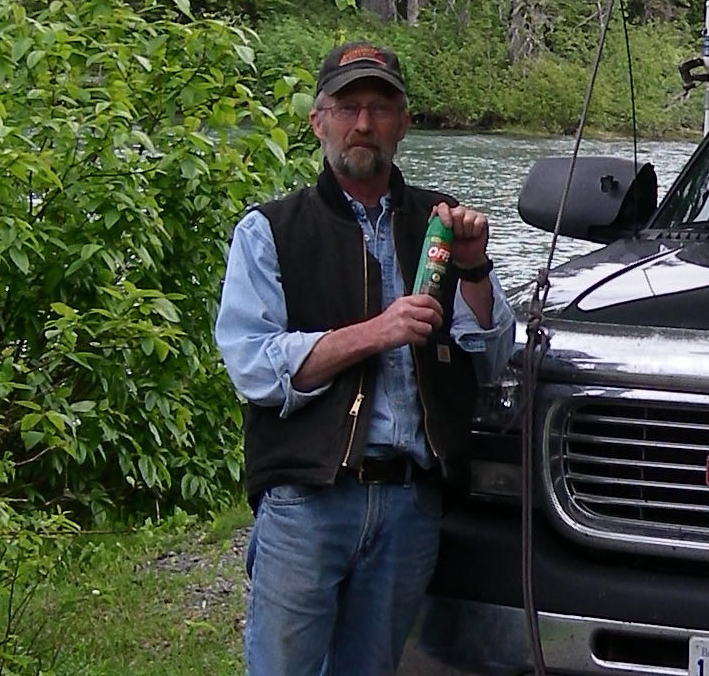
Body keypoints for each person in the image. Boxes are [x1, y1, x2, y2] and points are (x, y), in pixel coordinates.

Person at [215, 41, 514, 676]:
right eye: (347, 107)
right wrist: (374, 332)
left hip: (409, 505)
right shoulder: (269, 230)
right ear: (317, 120)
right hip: (306, 502)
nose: (363, 124)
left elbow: (487, 362)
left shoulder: (438, 223)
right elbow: (252, 363)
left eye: (380, 107)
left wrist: (475, 270)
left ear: (404, 122)